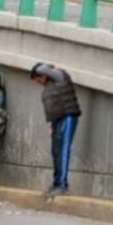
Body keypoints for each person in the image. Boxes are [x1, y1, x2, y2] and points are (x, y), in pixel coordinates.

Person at [30, 62, 82, 199]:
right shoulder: (48, 88)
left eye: (39, 79)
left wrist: (45, 67)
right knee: (56, 151)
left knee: (64, 150)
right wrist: (51, 126)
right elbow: (52, 109)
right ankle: (56, 182)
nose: (39, 82)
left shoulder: (60, 77)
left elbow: (43, 68)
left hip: (68, 116)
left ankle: (62, 184)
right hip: (57, 120)